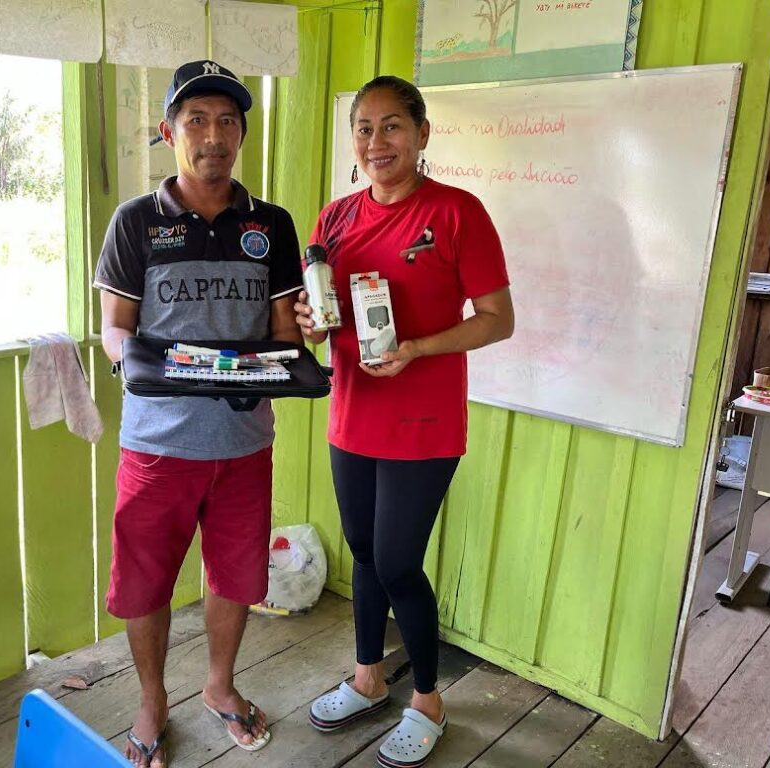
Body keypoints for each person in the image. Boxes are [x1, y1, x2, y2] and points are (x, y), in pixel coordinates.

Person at [297, 75, 514, 768]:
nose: (376, 141)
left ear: (421, 133)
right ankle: (368, 677)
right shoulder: (334, 219)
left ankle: (427, 700)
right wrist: (309, 323)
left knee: (396, 562)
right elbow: (318, 316)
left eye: (392, 125)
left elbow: (497, 319)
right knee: (363, 552)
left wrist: (417, 347)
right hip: (352, 413)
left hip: (424, 422)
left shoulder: (457, 212)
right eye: (364, 128)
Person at [94, 60, 304, 768]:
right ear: (169, 132)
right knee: (145, 582)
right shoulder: (136, 221)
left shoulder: (271, 224)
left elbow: (284, 332)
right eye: (196, 121)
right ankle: (152, 701)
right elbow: (114, 328)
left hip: (244, 439)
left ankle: (219, 685)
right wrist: (138, 364)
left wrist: (304, 336)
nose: (213, 135)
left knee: (236, 575)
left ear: (241, 133)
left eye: (227, 121)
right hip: (158, 443)